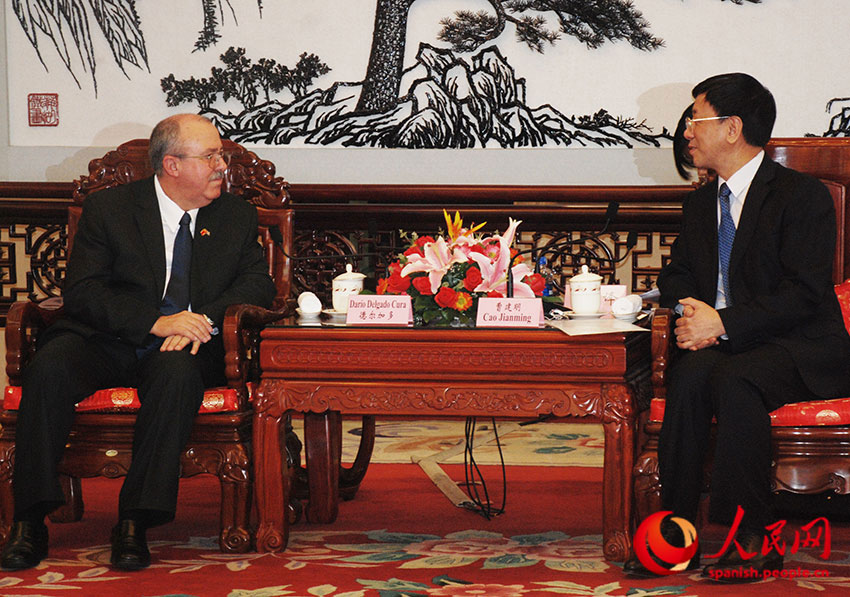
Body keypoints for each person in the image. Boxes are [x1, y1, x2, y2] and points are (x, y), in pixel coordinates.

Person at [0, 114, 276, 571]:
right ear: (171, 164)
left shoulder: (235, 215)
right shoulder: (111, 210)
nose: (221, 165)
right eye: (209, 156)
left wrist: (199, 321)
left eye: (220, 155)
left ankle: (134, 521)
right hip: (106, 337)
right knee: (48, 367)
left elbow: (256, 285)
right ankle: (29, 520)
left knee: (177, 378)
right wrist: (155, 322)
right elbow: (84, 291)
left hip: (186, 345)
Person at [625, 73, 850, 581]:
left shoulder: (802, 196)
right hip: (727, 341)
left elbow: (804, 292)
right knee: (689, 377)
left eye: (695, 118)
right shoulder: (702, 202)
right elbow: (678, 273)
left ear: (732, 127)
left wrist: (722, 323)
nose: (686, 130)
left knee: (736, 379)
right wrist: (694, 314)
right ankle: (674, 533)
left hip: (800, 345)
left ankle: (749, 538)